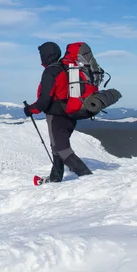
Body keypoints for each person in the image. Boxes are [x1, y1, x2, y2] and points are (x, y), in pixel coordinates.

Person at [24, 41, 93, 182]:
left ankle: (88, 178)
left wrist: (30, 109)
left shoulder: (51, 71)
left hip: (57, 116)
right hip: (70, 114)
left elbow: (44, 100)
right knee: (57, 147)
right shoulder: (65, 68)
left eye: (41, 54)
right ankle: (55, 178)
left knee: (62, 149)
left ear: (46, 55)